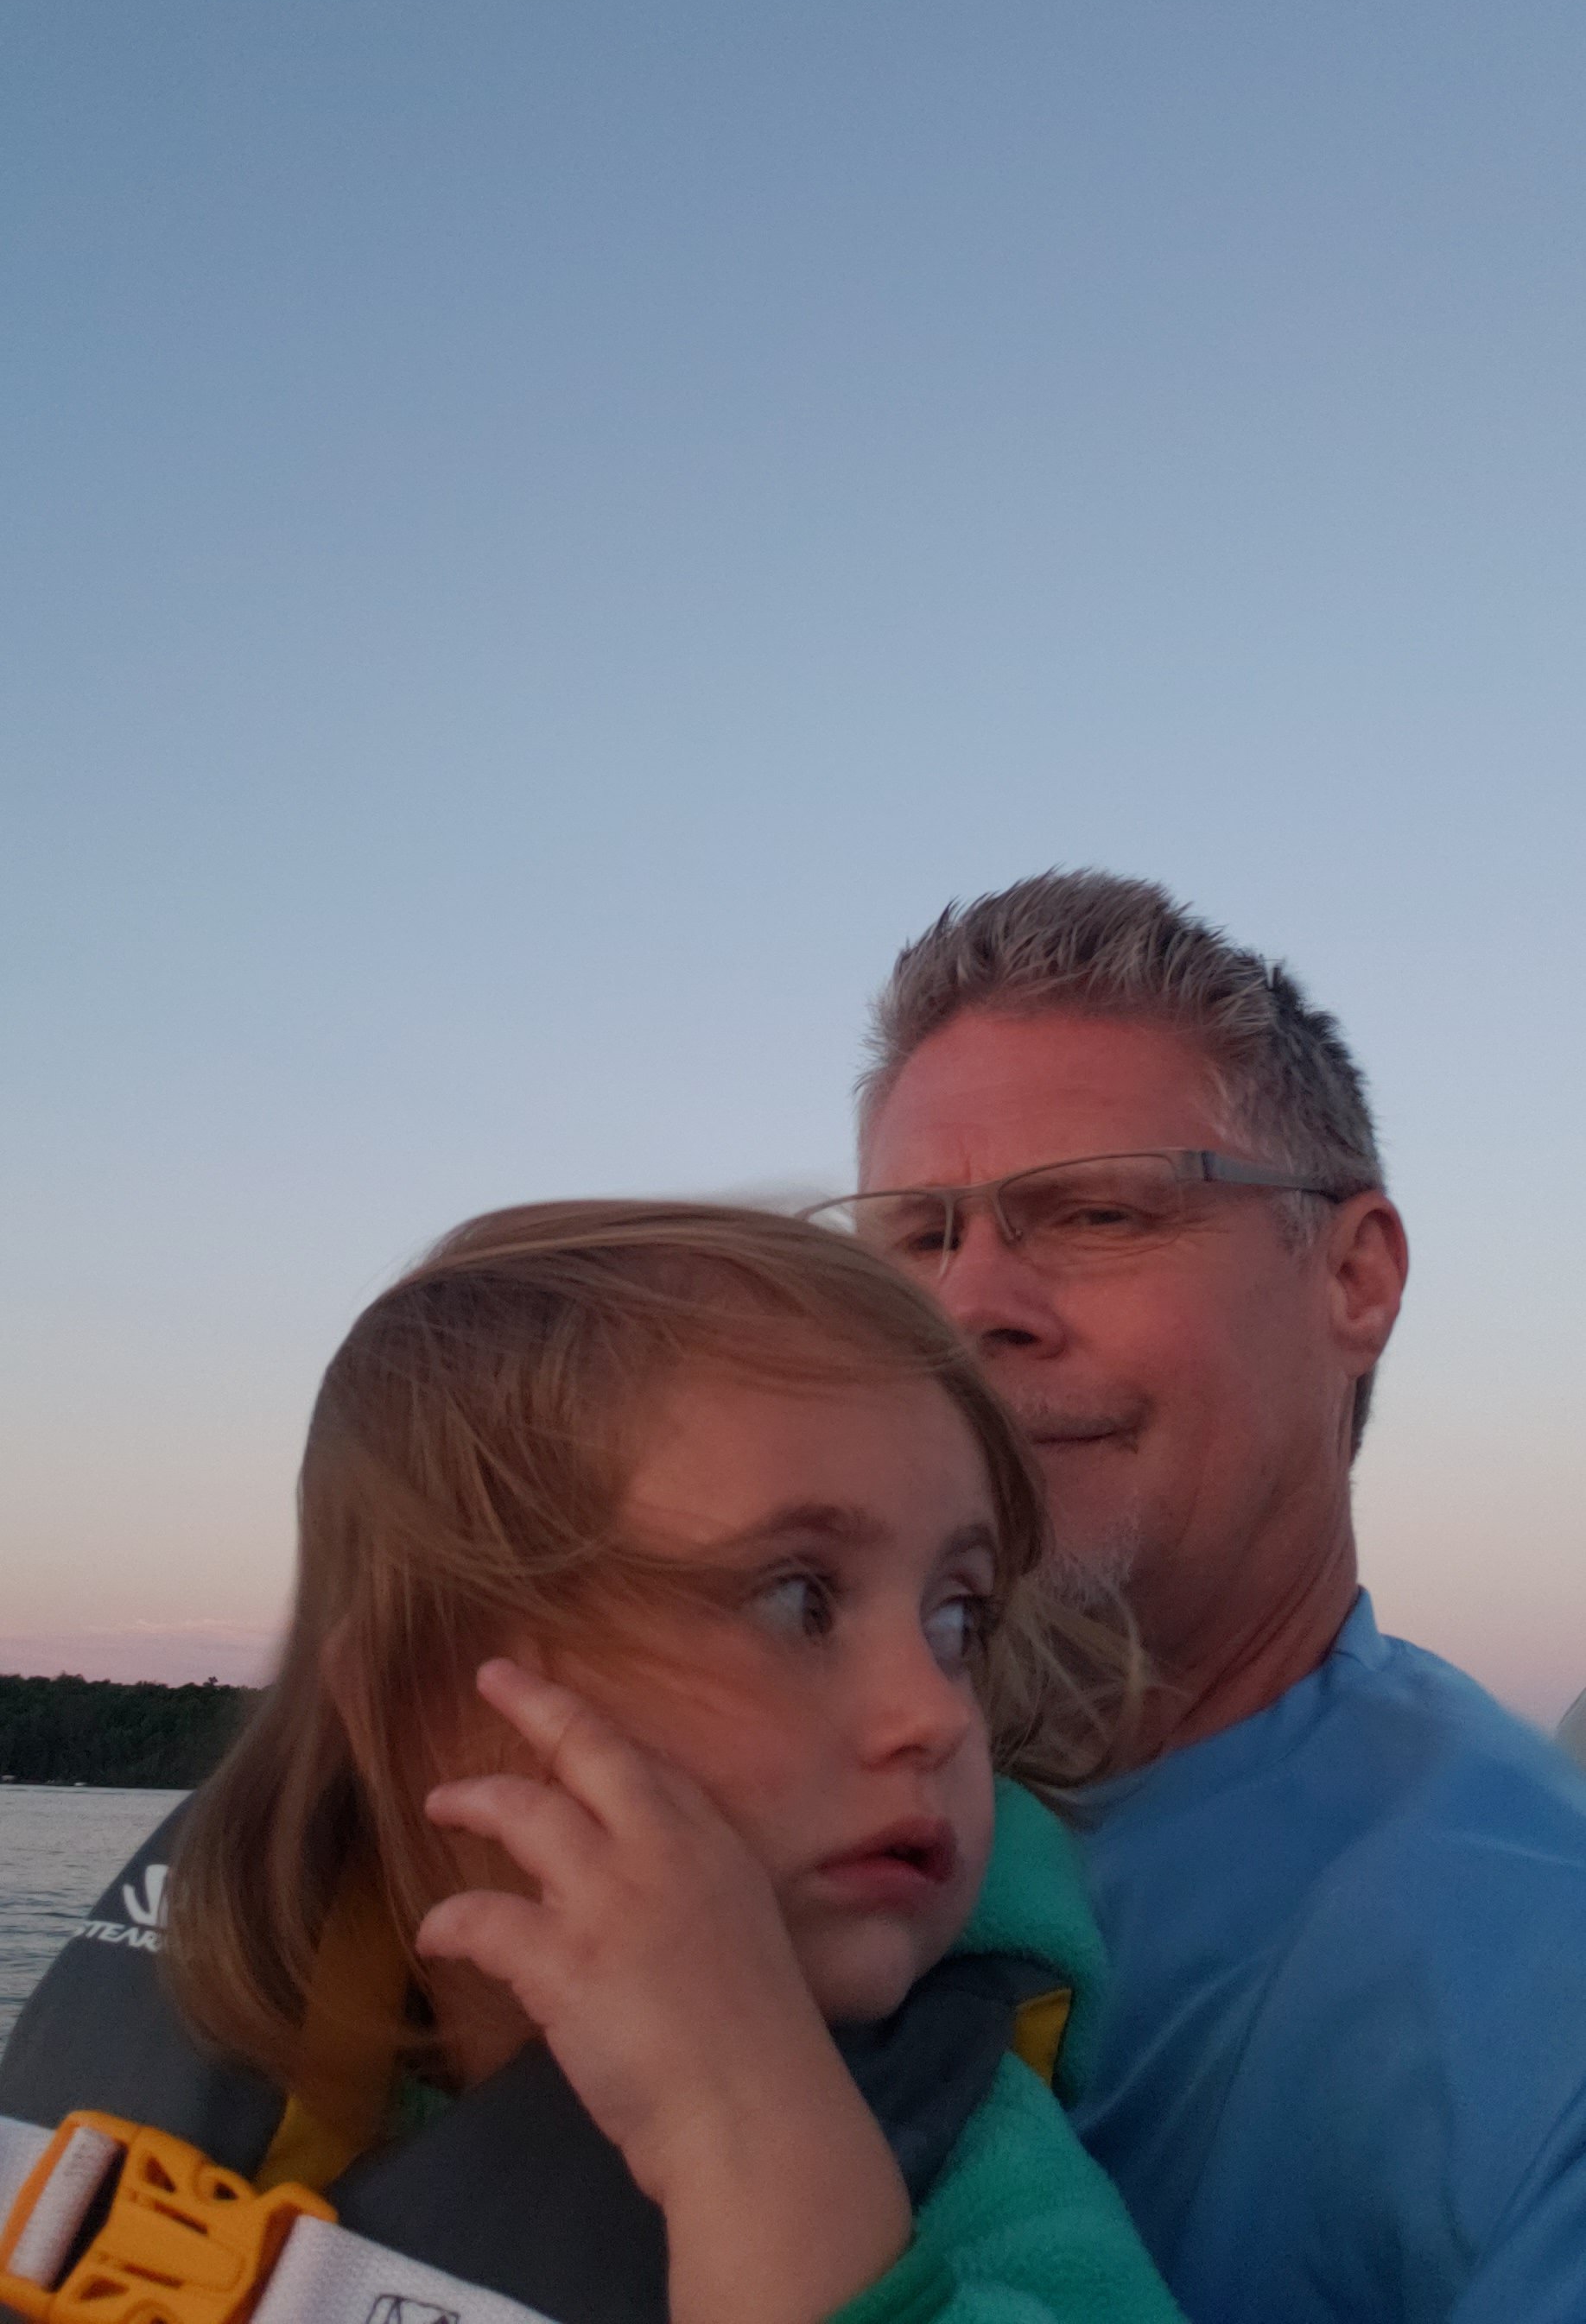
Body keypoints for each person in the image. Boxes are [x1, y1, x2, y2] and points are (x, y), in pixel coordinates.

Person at [0, 1200, 1183, 2324]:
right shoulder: (237, 2034)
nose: (934, 1713)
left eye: (957, 1617)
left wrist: (757, 2139)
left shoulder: (978, 2171)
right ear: (423, 1709)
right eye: (799, 1600)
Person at [809, 871, 1586, 2324]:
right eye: (918, 1240)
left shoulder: (1538, 1993)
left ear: (1355, 1279)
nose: (970, 1308)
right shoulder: (744, 1828)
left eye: (1098, 1212)